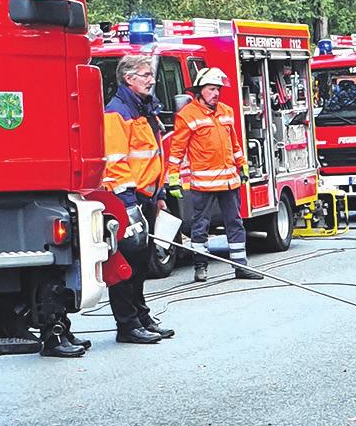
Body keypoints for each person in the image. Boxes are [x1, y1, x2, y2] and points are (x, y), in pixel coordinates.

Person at [103, 54, 175, 345]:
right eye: (145, 75)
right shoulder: (117, 112)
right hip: (127, 201)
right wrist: (128, 205)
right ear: (128, 78)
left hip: (146, 197)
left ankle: (141, 317)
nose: (151, 79)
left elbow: (154, 155)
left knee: (142, 264)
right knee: (126, 266)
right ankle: (127, 325)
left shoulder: (146, 109)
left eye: (150, 74)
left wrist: (159, 195)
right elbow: (115, 162)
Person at [168, 67, 254, 284]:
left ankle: (240, 265)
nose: (216, 93)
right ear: (200, 90)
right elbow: (177, 150)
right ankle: (200, 267)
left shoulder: (226, 111)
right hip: (204, 184)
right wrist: (174, 179)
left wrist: (242, 165)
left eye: (218, 90)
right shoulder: (187, 115)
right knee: (200, 227)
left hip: (229, 182)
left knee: (235, 223)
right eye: (212, 89)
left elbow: (234, 142)